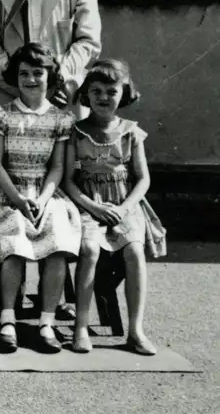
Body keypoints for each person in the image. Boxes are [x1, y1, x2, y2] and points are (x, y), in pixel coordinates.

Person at [62, 59, 167, 356]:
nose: (103, 98)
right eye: (95, 91)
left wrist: (124, 208)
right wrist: (91, 206)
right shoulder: (76, 132)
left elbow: (143, 178)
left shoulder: (132, 132)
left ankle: (136, 330)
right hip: (88, 203)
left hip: (124, 204)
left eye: (111, 91)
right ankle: (81, 326)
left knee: (134, 250)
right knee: (90, 249)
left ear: (124, 93)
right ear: (86, 94)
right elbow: (69, 181)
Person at [0, 43, 82, 354]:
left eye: (37, 73)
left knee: (56, 243)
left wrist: (41, 198)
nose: (30, 79)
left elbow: (56, 167)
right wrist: (17, 198)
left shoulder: (60, 119)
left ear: (50, 76)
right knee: (15, 242)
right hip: (9, 193)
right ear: (15, 77)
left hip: (45, 192)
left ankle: (46, 322)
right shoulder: (1, 113)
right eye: (23, 73)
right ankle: (8, 319)